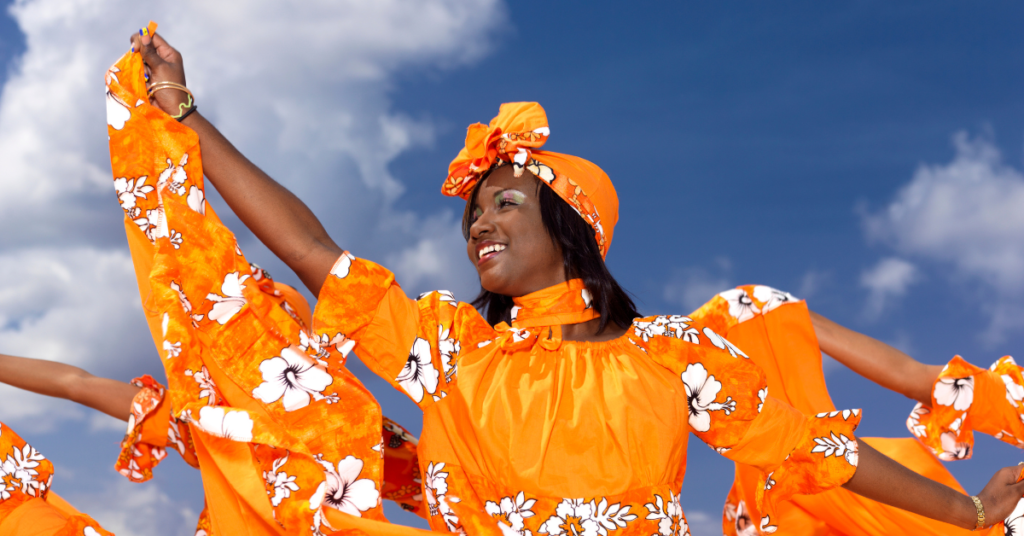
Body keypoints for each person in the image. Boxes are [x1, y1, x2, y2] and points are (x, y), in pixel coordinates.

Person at [119, 26, 1024, 536]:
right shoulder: (447, 346)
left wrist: (970, 512)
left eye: (505, 202)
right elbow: (312, 253)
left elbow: (810, 448)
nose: (481, 221)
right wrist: (188, 118)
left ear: (571, 228)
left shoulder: (673, 354)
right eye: (473, 209)